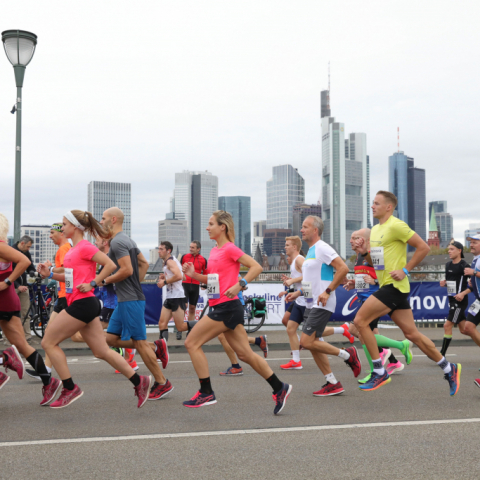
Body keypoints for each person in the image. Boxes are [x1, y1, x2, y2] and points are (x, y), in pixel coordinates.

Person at [38, 210, 155, 408]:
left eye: (65, 224)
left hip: (83, 303)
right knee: (101, 351)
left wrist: (94, 283)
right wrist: (48, 274)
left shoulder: (84, 247)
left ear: (74, 226)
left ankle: (69, 387)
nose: (62, 227)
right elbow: (71, 279)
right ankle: (139, 381)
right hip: (84, 303)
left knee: (48, 342)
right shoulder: (74, 250)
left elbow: (109, 264)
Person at [182, 210, 291, 414]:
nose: (207, 227)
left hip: (227, 307)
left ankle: (206, 391)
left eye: (211, 224)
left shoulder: (230, 249)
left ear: (222, 227)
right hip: (222, 306)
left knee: (191, 342)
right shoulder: (215, 251)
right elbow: (214, 281)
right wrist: (194, 275)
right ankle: (279, 387)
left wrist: (240, 284)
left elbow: (256, 267)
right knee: (245, 354)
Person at [354, 191, 460, 395]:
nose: (372, 206)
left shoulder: (397, 225)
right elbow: (377, 264)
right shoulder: (375, 230)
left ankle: (379, 370)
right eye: (372, 203)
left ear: (389, 207)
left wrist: (405, 270)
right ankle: (449, 368)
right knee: (412, 334)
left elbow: (424, 247)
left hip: (394, 287)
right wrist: (364, 253)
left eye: (376, 203)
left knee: (360, 322)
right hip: (387, 286)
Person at [102, 207, 172, 402]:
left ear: (113, 220)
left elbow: (126, 270)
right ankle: (156, 346)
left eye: (103, 218)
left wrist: (105, 280)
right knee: (111, 339)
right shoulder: (128, 240)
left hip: (130, 299)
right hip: (126, 298)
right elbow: (144, 264)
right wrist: (134, 283)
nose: (101, 222)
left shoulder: (117, 242)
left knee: (139, 343)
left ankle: (162, 382)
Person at [286, 216, 361, 397]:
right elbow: (310, 280)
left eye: (305, 227)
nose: (301, 230)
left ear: (315, 230)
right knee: (314, 343)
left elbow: (343, 268)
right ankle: (332, 382)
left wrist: (328, 291)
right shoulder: (311, 251)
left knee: (305, 342)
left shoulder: (322, 247)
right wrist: (297, 294)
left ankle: (348, 355)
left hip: (323, 302)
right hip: (312, 302)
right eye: (302, 226)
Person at [343, 229, 409, 384]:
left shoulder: (374, 253)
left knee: (357, 331)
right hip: (365, 299)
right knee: (371, 334)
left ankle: (380, 367)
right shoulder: (359, 255)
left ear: (366, 240)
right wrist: (355, 284)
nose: (351, 241)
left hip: (375, 300)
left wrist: (376, 282)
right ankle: (393, 362)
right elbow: (365, 276)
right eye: (351, 238)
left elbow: (386, 274)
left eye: (355, 238)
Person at [0, 213, 52, 393]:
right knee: (22, 344)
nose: (28, 248)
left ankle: (6, 358)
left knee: (21, 341)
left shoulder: (3, 247)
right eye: (27, 246)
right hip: (9, 296)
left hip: (5, 296)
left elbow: (26, 263)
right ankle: (49, 383)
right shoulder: (7, 247)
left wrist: (8, 282)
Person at [95, 236, 138, 373]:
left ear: (105, 242)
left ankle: (124, 352)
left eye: (97, 240)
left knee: (99, 328)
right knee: (118, 329)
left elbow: (119, 276)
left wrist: (103, 280)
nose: (95, 242)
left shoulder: (111, 259)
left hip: (113, 301)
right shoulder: (104, 258)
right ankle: (129, 358)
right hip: (109, 300)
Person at [218, 273, 268, 375]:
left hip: (233, 305)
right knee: (231, 336)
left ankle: (236, 367)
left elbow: (242, 284)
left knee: (222, 336)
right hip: (226, 305)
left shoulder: (232, 269)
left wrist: (239, 286)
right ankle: (258, 340)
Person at [279, 236, 307, 370]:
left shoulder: (300, 259)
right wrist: (291, 280)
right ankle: (296, 361)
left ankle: (343, 331)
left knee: (315, 336)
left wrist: (291, 281)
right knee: (290, 328)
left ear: (294, 247)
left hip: (308, 301)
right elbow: (300, 279)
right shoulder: (294, 261)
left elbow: (311, 276)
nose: (285, 247)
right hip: (299, 300)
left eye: (287, 245)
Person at [439, 241, 471, 355]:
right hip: (451, 299)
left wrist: (463, 293)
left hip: (460, 301)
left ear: (459, 250)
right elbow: (451, 282)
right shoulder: (448, 265)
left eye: (452, 249)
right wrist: (445, 283)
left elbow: (475, 285)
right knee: (465, 330)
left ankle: (440, 355)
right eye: (448, 249)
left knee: (447, 325)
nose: (449, 251)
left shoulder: (465, 266)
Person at [157, 241, 189, 340]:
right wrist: (166, 276)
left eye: (161, 249)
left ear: (168, 251)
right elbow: (184, 277)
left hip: (177, 297)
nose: (159, 251)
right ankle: (163, 348)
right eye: (159, 249)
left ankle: (202, 325)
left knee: (180, 327)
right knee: (162, 324)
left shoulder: (170, 262)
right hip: (170, 297)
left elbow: (179, 276)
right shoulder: (170, 261)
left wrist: (165, 282)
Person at [12, 235, 36, 344]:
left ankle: (27, 337)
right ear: (22, 243)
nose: (28, 249)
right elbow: (9, 273)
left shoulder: (26, 252)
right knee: (11, 314)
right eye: (28, 246)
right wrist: (17, 286)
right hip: (13, 287)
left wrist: (31, 271)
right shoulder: (10, 252)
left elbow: (30, 265)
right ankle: (11, 339)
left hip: (24, 287)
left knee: (26, 313)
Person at [180, 241, 208, 335]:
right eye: (190, 247)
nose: (190, 249)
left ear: (198, 249)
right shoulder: (185, 257)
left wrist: (204, 283)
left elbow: (205, 273)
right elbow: (179, 269)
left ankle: (190, 330)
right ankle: (179, 329)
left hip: (195, 285)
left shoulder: (203, 259)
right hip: (185, 284)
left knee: (192, 308)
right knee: (184, 307)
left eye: (193, 247)